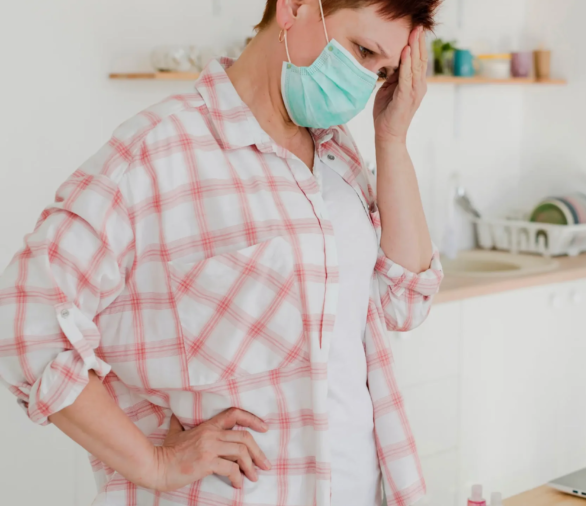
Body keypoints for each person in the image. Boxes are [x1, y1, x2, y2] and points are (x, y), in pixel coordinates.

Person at [0, 0, 442, 505]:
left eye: (381, 70)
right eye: (363, 51)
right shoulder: (160, 151)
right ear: (295, 7)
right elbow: (25, 322)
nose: (365, 83)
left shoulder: (338, 154)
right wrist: (156, 463)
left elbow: (404, 303)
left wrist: (392, 137)